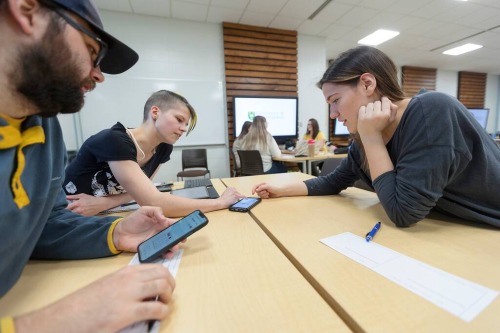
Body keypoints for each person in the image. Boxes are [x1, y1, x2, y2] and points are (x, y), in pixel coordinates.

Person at [0, 0, 181, 331]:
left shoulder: (43, 129)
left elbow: (46, 224)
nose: (98, 75)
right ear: (25, 11)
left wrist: (115, 232)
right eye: (89, 50)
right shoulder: (112, 140)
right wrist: (52, 322)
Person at [253, 46, 500, 228]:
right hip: (457, 225)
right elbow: (332, 182)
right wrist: (281, 190)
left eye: (336, 100)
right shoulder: (365, 136)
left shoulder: (431, 110)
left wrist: (371, 138)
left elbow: (403, 213)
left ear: (368, 84)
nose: (333, 114)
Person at [63, 90, 243, 217]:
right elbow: (154, 201)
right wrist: (220, 202)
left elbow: (141, 193)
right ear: (155, 112)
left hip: (104, 213)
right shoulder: (116, 140)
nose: (183, 129)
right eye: (179, 120)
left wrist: (107, 203)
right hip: (68, 214)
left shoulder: (163, 147)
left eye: (186, 125)